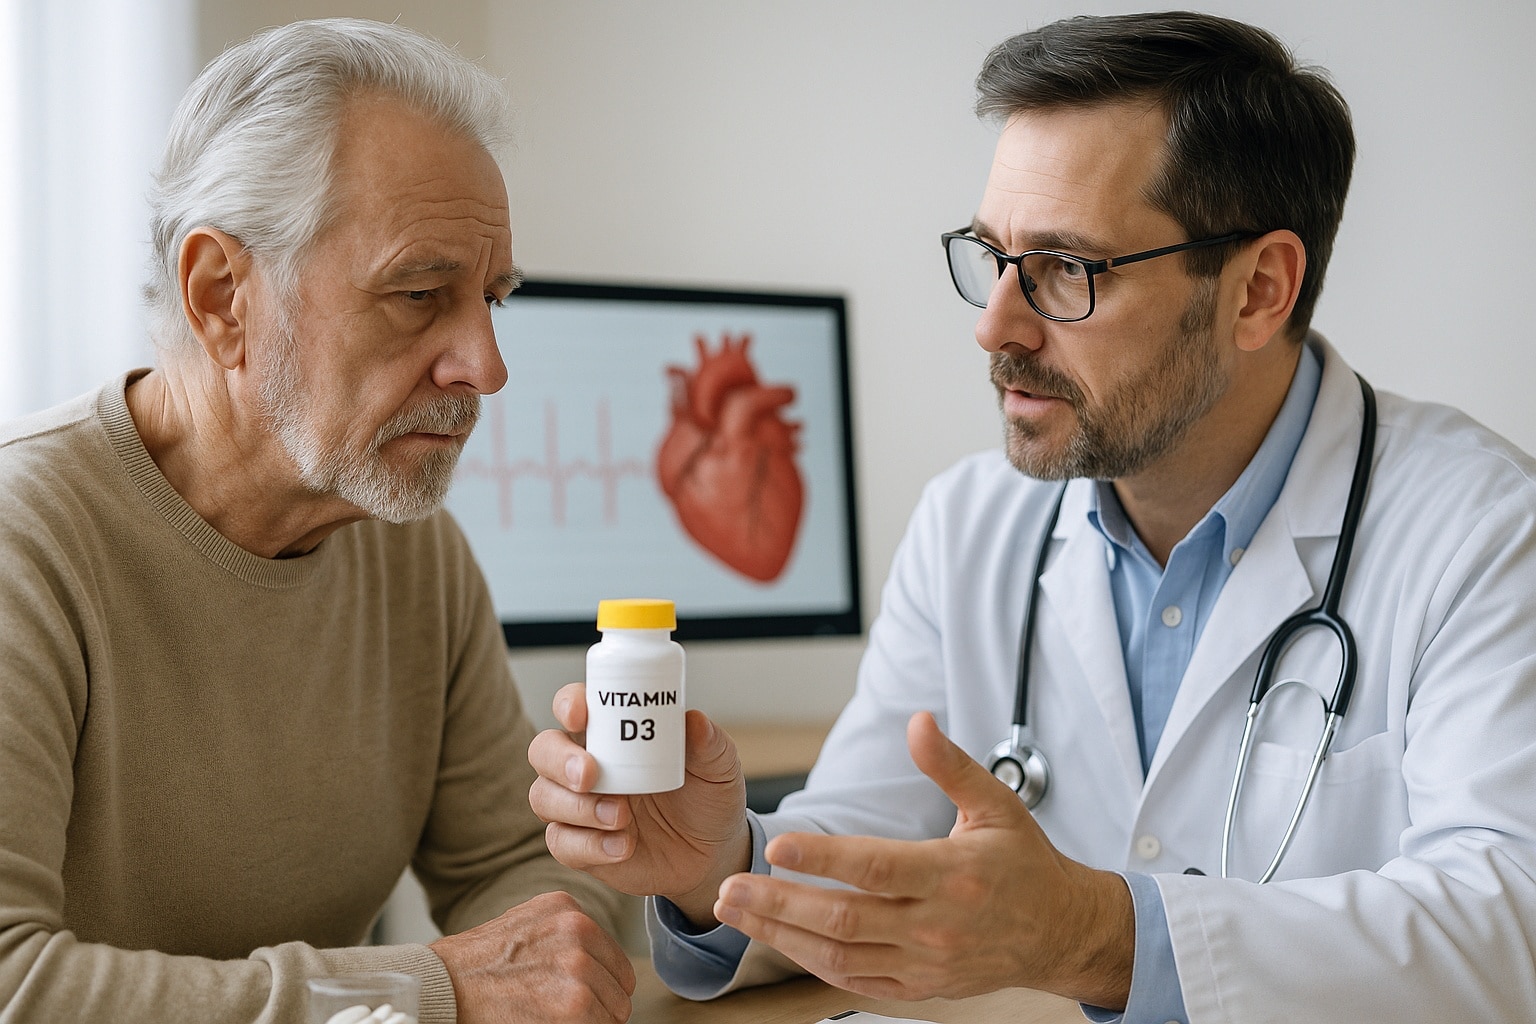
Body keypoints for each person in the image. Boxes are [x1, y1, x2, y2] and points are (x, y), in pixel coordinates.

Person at [528, 11, 1536, 1023]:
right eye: (992, 255)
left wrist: (1097, 936)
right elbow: (870, 841)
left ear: (1258, 290)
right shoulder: (971, 525)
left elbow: (1512, 923)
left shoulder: (1481, 532)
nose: (994, 326)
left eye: (1065, 270)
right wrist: (721, 865)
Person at [0, 19, 637, 1024]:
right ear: (221, 299)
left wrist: (537, 962)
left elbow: (524, 876)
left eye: (492, 300)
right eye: (420, 293)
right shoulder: (21, 542)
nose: (486, 365)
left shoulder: (410, 548)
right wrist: (429, 989)